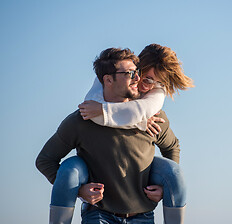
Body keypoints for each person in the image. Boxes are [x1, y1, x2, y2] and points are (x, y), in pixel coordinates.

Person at [36, 46, 192, 224]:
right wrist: (78, 191)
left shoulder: (154, 118)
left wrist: (164, 188)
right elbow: (45, 160)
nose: (138, 81)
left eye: (141, 76)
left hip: (143, 217)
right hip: (99, 215)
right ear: (108, 80)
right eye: (132, 74)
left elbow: (172, 147)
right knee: (70, 168)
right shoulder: (84, 118)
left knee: (174, 171)